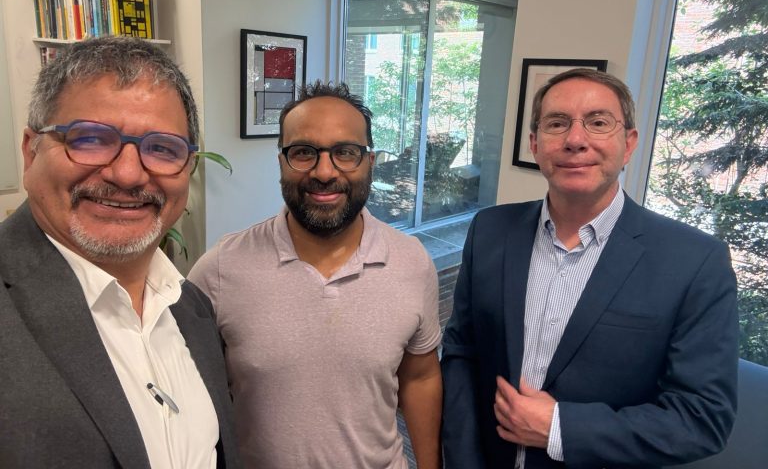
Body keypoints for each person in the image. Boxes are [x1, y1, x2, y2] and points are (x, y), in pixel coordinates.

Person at [441, 67, 739, 469]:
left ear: (628, 144)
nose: (575, 140)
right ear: (535, 144)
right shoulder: (490, 230)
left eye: (598, 123)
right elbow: (461, 352)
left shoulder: (694, 261)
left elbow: (702, 418)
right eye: (556, 123)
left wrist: (560, 428)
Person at [0, 36, 241, 468]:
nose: (128, 175)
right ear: (30, 151)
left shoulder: (192, 305)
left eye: (162, 148)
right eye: (91, 139)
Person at [188, 81, 443, 469]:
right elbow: (191, 389)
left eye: (346, 152)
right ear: (281, 162)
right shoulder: (221, 268)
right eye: (304, 152)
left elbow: (420, 377)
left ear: (370, 162)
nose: (324, 172)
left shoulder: (412, 262)